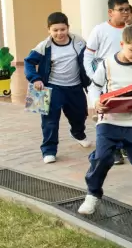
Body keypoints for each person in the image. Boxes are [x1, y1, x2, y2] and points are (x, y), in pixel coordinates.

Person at [79, 25, 132, 215]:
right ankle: (93, 194)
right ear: (122, 44)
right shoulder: (106, 64)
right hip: (108, 120)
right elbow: (94, 87)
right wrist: (96, 103)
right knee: (102, 157)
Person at [24, 12, 91, 164]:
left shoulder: (79, 41)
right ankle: (49, 150)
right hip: (52, 88)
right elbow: (28, 62)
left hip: (75, 87)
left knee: (80, 115)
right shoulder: (44, 46)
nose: (59, 33)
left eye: (62, 29)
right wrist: (35, 79)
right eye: (55, 30)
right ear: (49, 30)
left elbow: (88, 59)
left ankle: (78, 133)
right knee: (50, 121)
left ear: (68, 28)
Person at [83, 0, 131, 165]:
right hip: (106, 81)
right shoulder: (100, 30)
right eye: (121, 10)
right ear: (111, 12)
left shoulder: (130, 30)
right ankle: (114, 150)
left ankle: (125, 145)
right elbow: (88, 55)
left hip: (126, 79)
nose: (125, 13)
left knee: (126, 113)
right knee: (110, 116)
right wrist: (93, 76)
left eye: (127, 9)